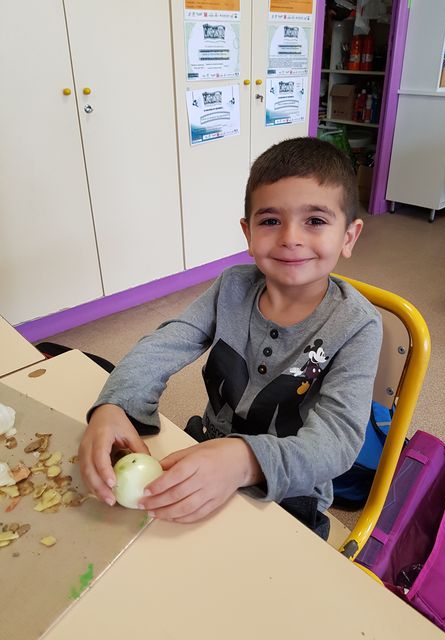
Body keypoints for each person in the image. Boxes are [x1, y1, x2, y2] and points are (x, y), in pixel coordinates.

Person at [79, 137, 382, 540]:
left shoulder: (358, 325)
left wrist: (245, 461)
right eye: (270, 221)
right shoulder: (232, 287)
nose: (290, 237)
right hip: (209, 448)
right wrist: (115, 405)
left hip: (289, 497)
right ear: (248, 232)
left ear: (348, 236)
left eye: (315, 220)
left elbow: (337, 441)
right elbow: (165, 344)